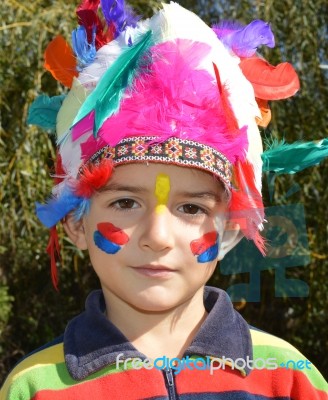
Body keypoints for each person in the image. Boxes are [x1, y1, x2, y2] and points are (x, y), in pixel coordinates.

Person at [1, 1, 327, 399]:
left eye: (192, 208)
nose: (157, 237)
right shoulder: (34, 387)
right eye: (124, 203)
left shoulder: (289, 380)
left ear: (228, 229)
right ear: (74, 223)